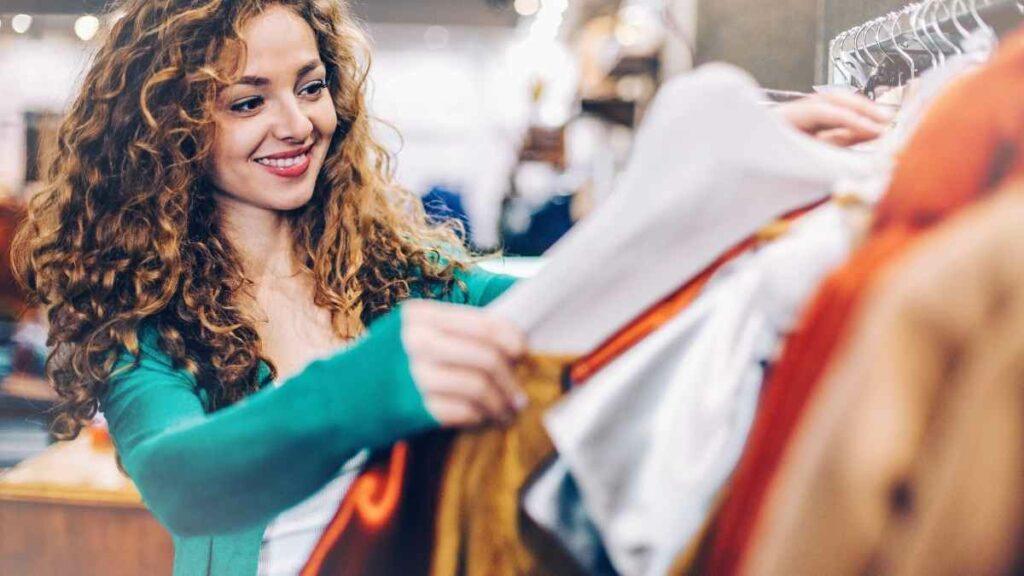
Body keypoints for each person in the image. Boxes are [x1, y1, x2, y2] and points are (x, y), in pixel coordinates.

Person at [11, 1, 890, 574]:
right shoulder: (148, 323)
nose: (296, 124)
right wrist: (370, 385)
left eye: (311, 88)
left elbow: (587, 290)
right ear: (169, 128)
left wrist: (723, 178)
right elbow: (183, 477)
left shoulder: (402, 276)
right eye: (248, 102)